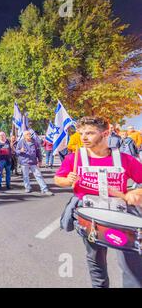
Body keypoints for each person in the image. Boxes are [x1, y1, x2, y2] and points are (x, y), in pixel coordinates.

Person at [54, 116, 142, 288]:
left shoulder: (124, 159)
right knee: (95, 260)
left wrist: (137, 192)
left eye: (90, 133)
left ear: (106, 133)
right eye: (81, 133)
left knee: (131, 262)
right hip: (89, 215)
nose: (84, 137)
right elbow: (58, 178)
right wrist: (66, 180)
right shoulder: (75, 158)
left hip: (120, 217)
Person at [16, 131, 54, 195]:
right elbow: (16, 151)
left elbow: (38, 152)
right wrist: (20, 151)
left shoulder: (35, 142)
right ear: (24, 136)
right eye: (27, 134)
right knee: (26, 176)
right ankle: (28, 188)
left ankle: (44, 189)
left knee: (38, 175)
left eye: (29, 134)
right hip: (24, 162)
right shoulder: (21, 142)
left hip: (33, 162)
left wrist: (40, 160)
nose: (29, 135)